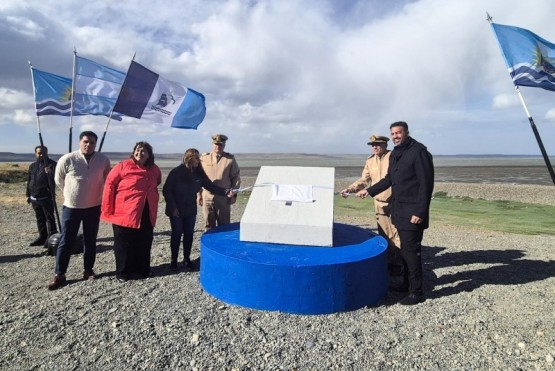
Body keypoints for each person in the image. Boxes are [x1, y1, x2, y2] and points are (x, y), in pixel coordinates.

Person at [357, 122, 434, 305]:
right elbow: (389, 179)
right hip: (399, 210)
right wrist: (369, 191)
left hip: (413, 212)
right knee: (405, 251)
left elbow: (426, 185)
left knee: (411, 252)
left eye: (398, 133)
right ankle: (405, 284)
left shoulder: (419, 152)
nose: (396, 136)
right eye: (393, 133)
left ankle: (417, 292)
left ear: (406, 132)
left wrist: (420, 212)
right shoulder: (398, 153)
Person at [48, 131, 111, 290]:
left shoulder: (103, 160)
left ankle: (88, 270)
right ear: (80, 142)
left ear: (96, 144)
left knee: (90, 240)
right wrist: (70, 194)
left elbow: (106, 179)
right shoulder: (67, 159)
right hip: (72, 207)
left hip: (93, 206)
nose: (88, 145)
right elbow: (59, 180)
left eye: (91, 142)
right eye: (85, 141)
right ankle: (60, 274)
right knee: (66, 241)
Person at [339, 135, 404, 287]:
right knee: (385, 235)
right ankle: (389, 263)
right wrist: (351, 188)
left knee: (398, 235)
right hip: (379, 202)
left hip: (395, 202)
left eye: (378, 144)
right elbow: (364, 180)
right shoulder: (370, 160)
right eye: (373, 145)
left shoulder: (393, 156)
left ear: (385, 144)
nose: (375, 147)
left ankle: (400, 267)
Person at [164, 148, 234, 271]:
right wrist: (173, 207)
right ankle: (173, 261)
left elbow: (211, 186)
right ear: (188, 158)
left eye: (198, 157)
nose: (198, 160)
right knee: (176, 234)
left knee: (189, 234)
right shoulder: (176, 172)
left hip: (190, 209)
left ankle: (186, 259)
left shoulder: (199, 174)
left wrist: (226, 192)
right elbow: (166, 190)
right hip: (176, 210)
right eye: (196, 157)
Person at [101, 141, 161, 282]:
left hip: (146, 211)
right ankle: (123, 272)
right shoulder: (122, 166)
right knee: (124, 243)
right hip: (124, 211)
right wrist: (107, 208)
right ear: (133, 152)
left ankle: (143, 270)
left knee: (144, 242)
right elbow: (109, 185)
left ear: (149, 155)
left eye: (144, 151)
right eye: (138, 150)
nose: (140, 153)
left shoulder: (154, 169)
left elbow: (157, 182)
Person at [197, 134, 241, 231]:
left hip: (223, 197)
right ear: (212, 144)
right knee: (208, 225)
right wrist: (198, 194)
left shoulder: (229, 159)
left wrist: (234, 195)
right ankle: (209, 245)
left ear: (224, 145)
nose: (218, 146)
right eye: (216, 144)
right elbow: (199, 177)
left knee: (224, 225)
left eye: (221, 144)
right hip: (207, 196)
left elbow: (236, 178)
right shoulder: (204, 158)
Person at [26, 145, 58, 247]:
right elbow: (29, 180)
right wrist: (28, 194)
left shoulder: (52, 165)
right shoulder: (32, 166)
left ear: (46, 153)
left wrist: (50, 173)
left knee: (50, 218)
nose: (41, 155)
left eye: (43, 153)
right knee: (39, 218)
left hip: (46, 197)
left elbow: (57, 180)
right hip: (34, 197)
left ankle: (52, 238)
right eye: (39, 153)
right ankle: (42, 237)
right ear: (35, 153)